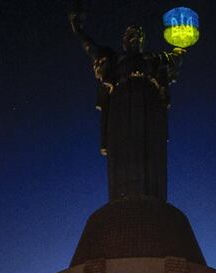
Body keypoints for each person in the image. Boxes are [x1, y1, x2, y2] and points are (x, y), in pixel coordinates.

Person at [69, 11, 186, 201]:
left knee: (151, 147)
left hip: (149, 104)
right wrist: (78, 30)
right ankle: (122, 201)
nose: (135, 37)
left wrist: (182, 43)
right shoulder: (115, 59)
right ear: (124, 40)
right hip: (121, 103)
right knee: (122, 147)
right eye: (131, 34)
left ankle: (152, 199)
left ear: (143, 41)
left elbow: (175, 59)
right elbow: (91, 48)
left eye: (139, 35)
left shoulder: (153, 59)